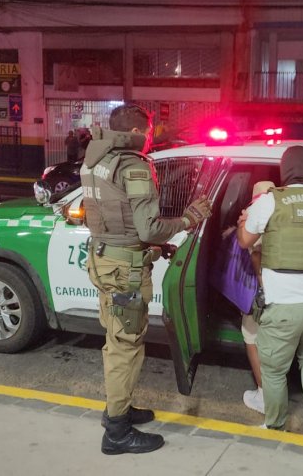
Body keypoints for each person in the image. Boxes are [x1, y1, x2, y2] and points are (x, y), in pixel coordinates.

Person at [80, 104, 212, 455]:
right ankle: (117, 433)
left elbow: (114, 217)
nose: (151, 138)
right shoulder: (134, 165)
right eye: (150, 131)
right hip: (125, 270)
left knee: (115, 340)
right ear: (139, 132)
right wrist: (187, 220)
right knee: (125, 347)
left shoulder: (94, 159)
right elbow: (148, 228)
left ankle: (118, 410)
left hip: (105, 260)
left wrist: (153, 246)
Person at [236, 146, 303, 451]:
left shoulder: (272, 201)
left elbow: (245, 241)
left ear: (285, 170)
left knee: (273, 370)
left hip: (285, 303)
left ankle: (275, 426)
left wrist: (244, 221)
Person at [240, 180, 275, 415]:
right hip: (292, 288)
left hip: (266, 288)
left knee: (251, 335)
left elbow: (253, 253)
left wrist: (262, 289)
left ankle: (264, 397)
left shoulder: (256, 212)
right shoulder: (283, 211)